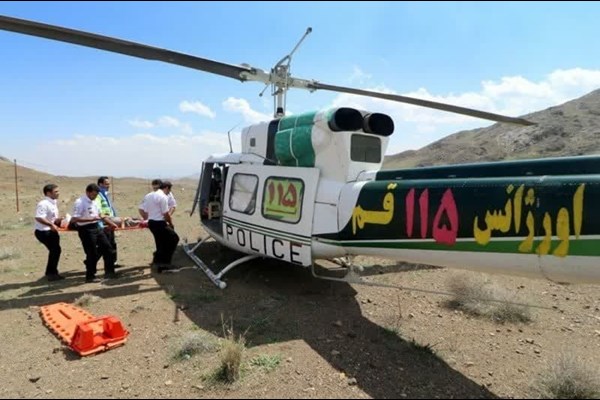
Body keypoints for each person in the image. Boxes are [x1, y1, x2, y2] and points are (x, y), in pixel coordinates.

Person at [71, 183, 119, 283]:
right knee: (91, 253)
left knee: (108, 249)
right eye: (93, 194)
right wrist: (91, 219)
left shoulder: (94, 202)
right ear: (87, 192)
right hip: (86, 229)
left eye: (96, 195)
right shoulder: (80, 202)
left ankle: (110, 272)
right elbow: (75, 219)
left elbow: (100, 215)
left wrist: (112, 224)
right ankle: (90, 276)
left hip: (96, 227)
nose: (95, 197)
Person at [142, 180, 180, 272]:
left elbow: (145, 210)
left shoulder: (148, 196)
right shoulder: (163, 197)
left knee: (160, 242)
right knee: (174, 239)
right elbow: (165, 214)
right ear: (166, 188)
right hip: (160, 223)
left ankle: (157, 262)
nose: (169, 193)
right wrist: (170, 223)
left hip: (151, 223)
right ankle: (165, 264)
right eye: (169, 191)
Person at [34, 184, 64, 281]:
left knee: (56, 251)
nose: (58, 193)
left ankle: (52, 272)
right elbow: (39, 217)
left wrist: (59, 220)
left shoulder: (53, 203)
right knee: (55, 250)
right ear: (48, 193)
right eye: (56, 192)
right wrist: (51, 225)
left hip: (52, 231)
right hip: (43, 232)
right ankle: (51, 274)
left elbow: (51, 218)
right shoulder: (43, 203)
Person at [95, 176, 120, 266]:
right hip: (105, 223)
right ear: (100, 184)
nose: (108, 185)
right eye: (106, 184)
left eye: (109, 184)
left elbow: (109, 208)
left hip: (110, 221)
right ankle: (91, 262)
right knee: (105, 245)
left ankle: (114, 262)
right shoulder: (98, 195)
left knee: (112, 243)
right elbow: (98, 211)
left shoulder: (105, 194)